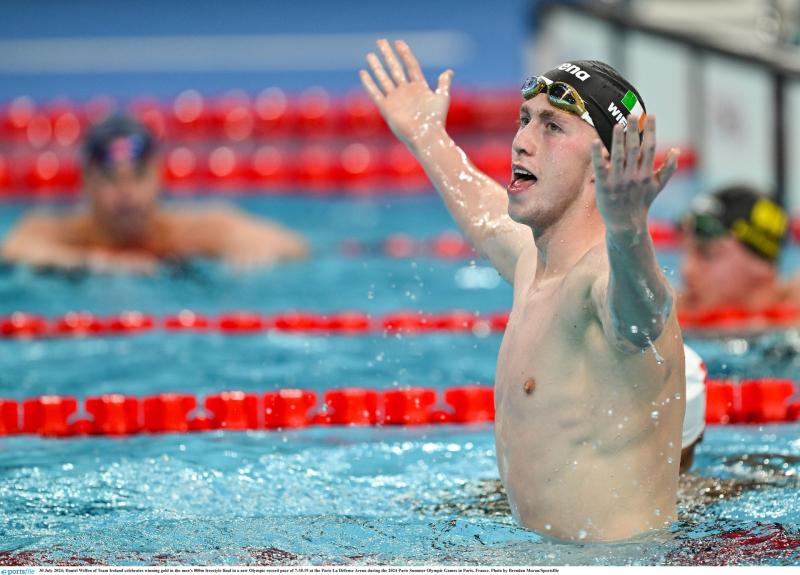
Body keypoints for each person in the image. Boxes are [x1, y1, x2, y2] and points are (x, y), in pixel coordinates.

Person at [361, 39, 685, 542]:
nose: (522, 140)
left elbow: (645, 315)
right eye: (525, 119)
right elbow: (487, 217)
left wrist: (628, 232)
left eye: (552, 126)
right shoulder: (538, 259)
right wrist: (427, 136)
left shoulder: (600, 278)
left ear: (608, 161)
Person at [1, 114, 308, 274]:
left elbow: (293, 246)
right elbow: (14, 249)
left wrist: (255, 254)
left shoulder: (188, 232)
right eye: (110, 178)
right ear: (87, 182)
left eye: (138, 176)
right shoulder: (61, 232)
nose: (126, 192)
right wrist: (100, 264)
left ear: (158, 176)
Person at [679, 184, 794, 315]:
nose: (687, 270)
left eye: (707, 254)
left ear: (762, 263)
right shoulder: (670, 315)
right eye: (686, 252)